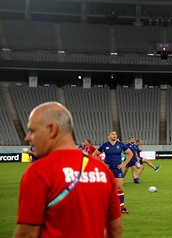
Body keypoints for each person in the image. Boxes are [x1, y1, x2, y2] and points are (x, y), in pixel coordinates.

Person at [13, 102, 122, 238]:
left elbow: (26, 234)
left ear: (51, 129)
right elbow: (116, 229)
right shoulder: (102, 171)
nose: (27, 137)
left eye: (32, 131)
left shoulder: (39, 172)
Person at [93, 130, 133, 214]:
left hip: (117, 169)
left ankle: (122, 207)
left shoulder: (121, 144)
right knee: (107, 189)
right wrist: (102, 164)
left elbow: (130, 153)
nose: (114, 135)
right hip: (107, 170)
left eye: (115, 134)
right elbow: (94, 155)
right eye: (112, 134)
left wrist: (124, 164)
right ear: (109, 136)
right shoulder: (105, 145)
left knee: (119, 188)